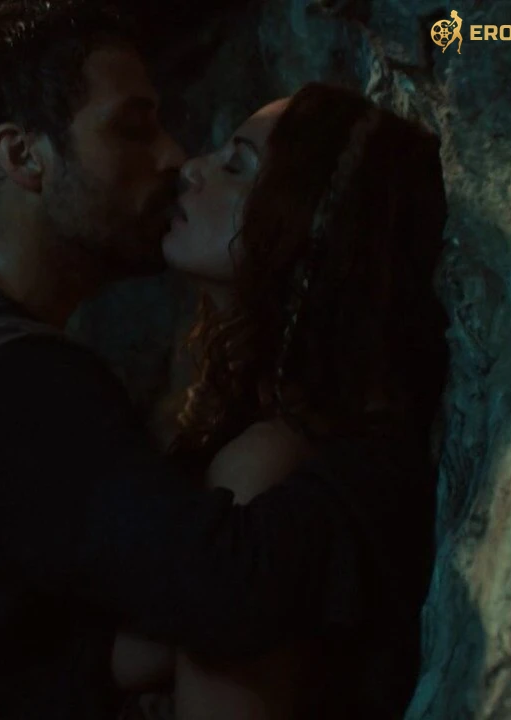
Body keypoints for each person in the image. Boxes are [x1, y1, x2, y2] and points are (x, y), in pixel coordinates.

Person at [0, 3, 422, 718]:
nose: (173, 157)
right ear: (22, 156)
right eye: (132, 129)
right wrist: (384, 457)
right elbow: (230, 590)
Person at [113, 85, 450, 718]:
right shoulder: (306, 426)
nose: (192, 168)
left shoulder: (267, 466)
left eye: (238, 166)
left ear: (311, 229)